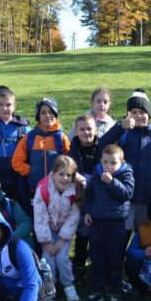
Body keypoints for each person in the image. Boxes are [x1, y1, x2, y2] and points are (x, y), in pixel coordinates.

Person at [99, 89, 151, 232]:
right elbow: (101, 146)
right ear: (128, 114)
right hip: (125, 199)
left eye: (142, 112)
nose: (138, 116)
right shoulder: (123, 133)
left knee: (145, 239)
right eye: (134, 112)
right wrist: (120, 127)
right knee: (121, 236)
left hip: (149, 199)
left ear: (149, 115)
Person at [83, 144, 135, 301]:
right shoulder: (96, 173)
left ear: (122, 162)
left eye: (113, 163)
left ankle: (114, 291)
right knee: (97, 257)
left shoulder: (126, 174)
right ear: (101, 161)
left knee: (115, 258)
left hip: (116, 224)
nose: (109, 166)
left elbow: (127, 193)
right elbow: (89, 195)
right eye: (105, 162)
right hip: (98, 223)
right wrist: (87, 211)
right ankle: (97, 289)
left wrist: (112, 183)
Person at [32, 156, 85, 301]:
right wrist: (47, 242)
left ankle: (68, 285)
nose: (65, 178)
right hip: (47, 231)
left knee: (62, 258)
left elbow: (73, 218)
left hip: (63, 232)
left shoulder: (75, 191)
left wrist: (62, 240)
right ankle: (50, 286)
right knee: (48, 259)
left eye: (69, 175)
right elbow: (40, 218)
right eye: (61, 174)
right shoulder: (43, 189)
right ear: (53, 173)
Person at [11, 97, 70, 211]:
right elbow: (16, 161)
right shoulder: (30, 138)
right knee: (38, 220)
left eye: (51, 112)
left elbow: (71, 162)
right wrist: (30, 171)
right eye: (43, 112)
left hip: (58, 190)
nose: (48, 115)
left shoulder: (61, 138)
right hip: (35, 190)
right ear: (38, 117)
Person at [68, 114, 99, 276]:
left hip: (97, 196)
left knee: (94, 231)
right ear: (76, 131)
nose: (86, 132)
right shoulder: (73, 149)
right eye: (82, 129)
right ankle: (79, 263)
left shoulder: (100, 147)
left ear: (96, 130)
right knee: (81, 232)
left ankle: (94, 263)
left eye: (89, 129)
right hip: (78, 197)